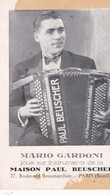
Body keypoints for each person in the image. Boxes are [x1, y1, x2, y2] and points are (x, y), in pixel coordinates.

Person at [10, 10, 98, 146]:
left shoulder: (86, 63)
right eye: (50, 32)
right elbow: (10, 108)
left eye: (61, 30)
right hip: (38, 135)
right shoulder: (22, 69)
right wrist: (23, 111)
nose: (58, 36)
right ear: (36, 37)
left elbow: (98, 103)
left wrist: (105, 113)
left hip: (78, 132)